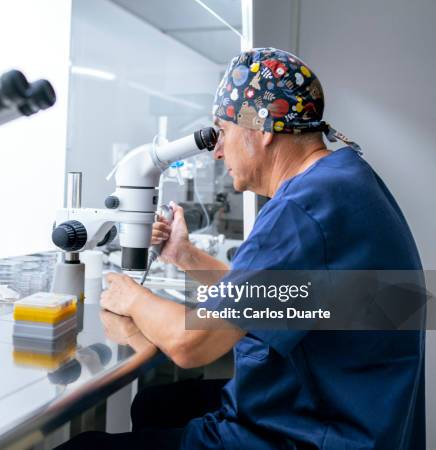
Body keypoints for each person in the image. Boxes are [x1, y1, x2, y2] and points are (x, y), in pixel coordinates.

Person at [57, 48, 425, 449]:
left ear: (263, 129)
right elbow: (280, 294)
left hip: (316, 430)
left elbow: (192, 345)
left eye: (224, 131)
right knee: (157, 404)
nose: (216, 150)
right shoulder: (342, 179)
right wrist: (185, 256)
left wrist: (132, 296)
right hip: (358, 414)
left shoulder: (300, 209)